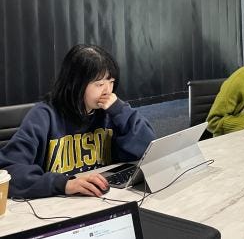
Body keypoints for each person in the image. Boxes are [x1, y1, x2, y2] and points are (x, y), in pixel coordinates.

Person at [0, 44, 155, 199]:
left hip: (104, 197)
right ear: (76, 84)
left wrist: (120, 111)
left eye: (111, 82)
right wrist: (64, 184)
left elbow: (148, 149)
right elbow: (7, 172)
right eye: (99, 84)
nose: (108, 91)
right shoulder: (44, 115)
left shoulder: (113, 112)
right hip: (58, 203)